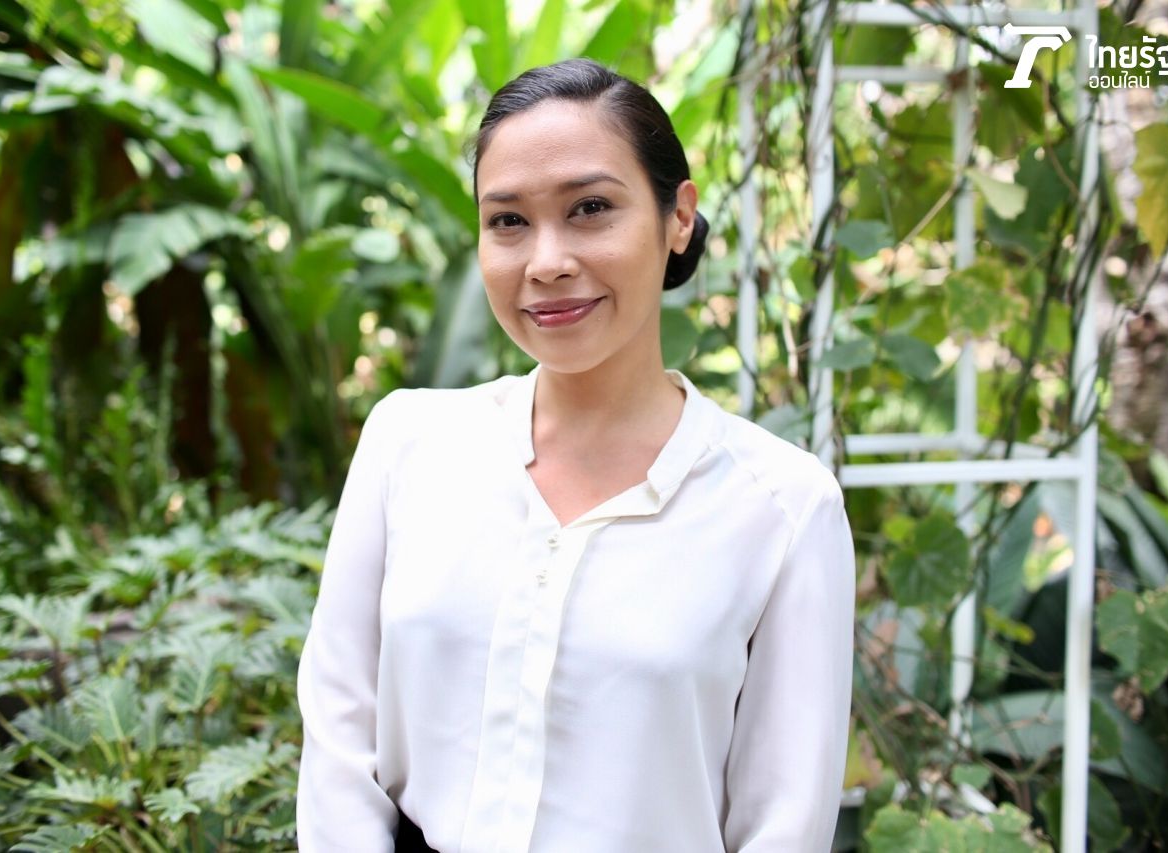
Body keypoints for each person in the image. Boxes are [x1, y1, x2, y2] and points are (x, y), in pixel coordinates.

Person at [297, 58, 856, 853]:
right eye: (508, 221)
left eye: (590, 208)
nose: (546, 261)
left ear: (678, 217)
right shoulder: (408, 445)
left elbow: (783, 824)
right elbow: (337, 732)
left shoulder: (783, 508)